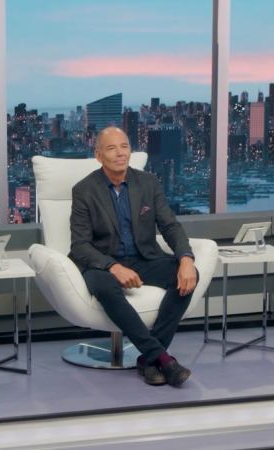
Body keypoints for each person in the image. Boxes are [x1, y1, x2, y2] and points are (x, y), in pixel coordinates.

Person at [69, 126, 198, 387]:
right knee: (104, 286)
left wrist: (186, 259)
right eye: (111, 148)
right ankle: (163, 358)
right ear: (98, 155)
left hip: (143, 258)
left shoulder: (148, 183)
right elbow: (80, 245)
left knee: (188, 275)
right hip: (102, 263)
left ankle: (150, 359)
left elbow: (170, 226)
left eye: (125, 146)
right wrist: (113, 267)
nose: (120, 153)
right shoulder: (84, 190)